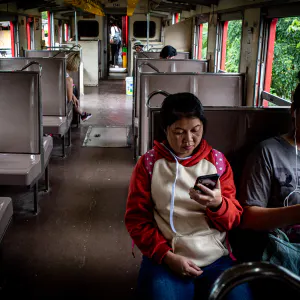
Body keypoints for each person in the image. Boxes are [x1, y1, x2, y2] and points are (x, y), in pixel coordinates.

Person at [125, 93, 252, 300]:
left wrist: (218, 204)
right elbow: (137, 220)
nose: (189, 140)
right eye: (179, 132)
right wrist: (167, 257)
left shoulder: (217, 162)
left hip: (215, 257)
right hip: (167, 254)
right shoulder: (149, 164)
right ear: (165, 129)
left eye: (196, 130)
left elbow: (233, 219)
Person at [66, 52, 92, 122]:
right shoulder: (69, 80)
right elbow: (69, 100)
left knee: (74, 93)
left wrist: (73, 96)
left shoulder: (61, 72)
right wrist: (73, 96)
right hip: (60, 103)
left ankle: (82, 114)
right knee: (74, 91)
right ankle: (82, 114)